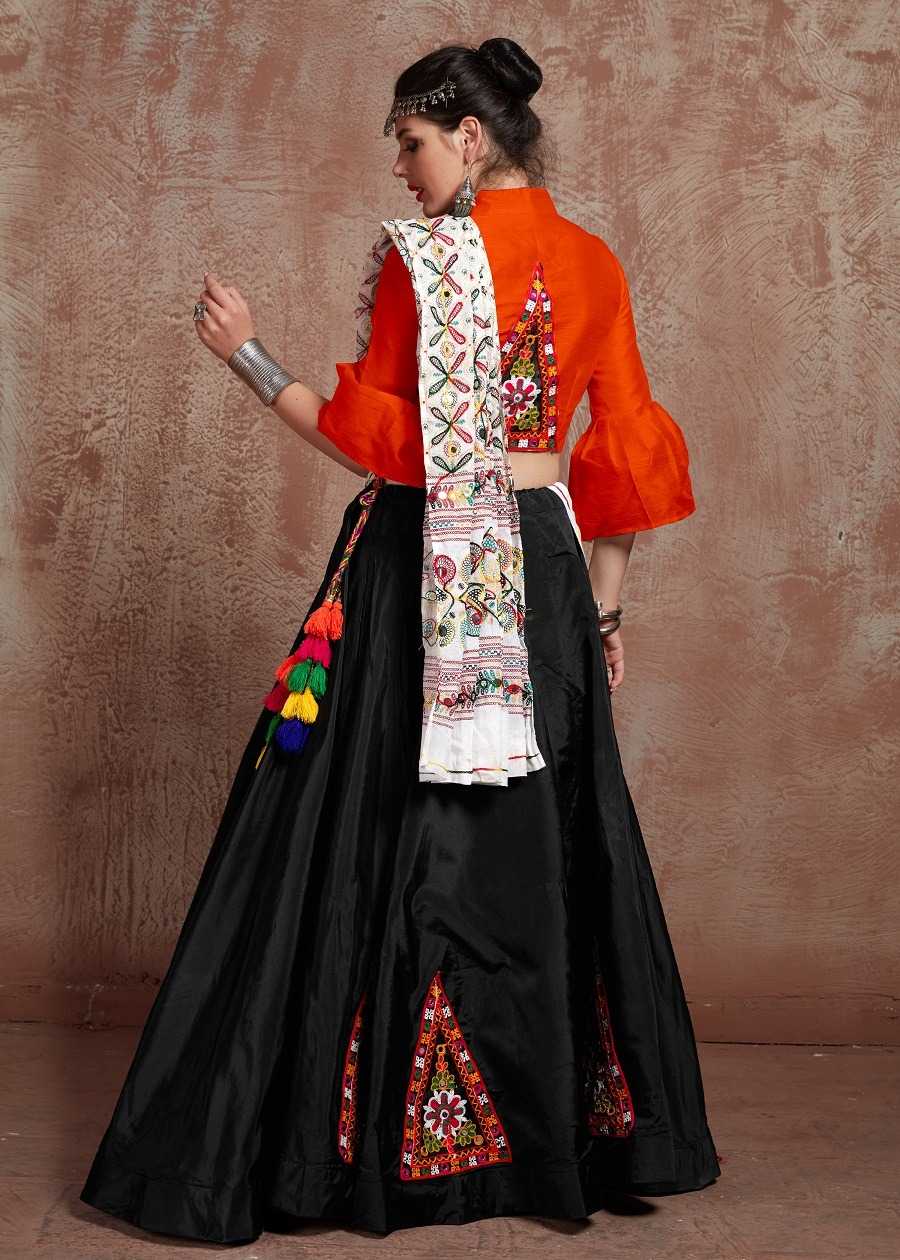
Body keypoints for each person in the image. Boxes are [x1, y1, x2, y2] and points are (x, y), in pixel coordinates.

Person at [80, 37, 721, 1245]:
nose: (402, 168)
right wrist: (606, 610)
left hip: (422, 563)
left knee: (387, 829)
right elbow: (621, 455)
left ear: (470, 137)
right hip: (542, 577)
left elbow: (372, 445)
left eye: (413, 143)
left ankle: (370, 1141)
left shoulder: (423, 262)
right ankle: (548, 1140)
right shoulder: (595, 263)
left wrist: (246, 355)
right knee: (539, 838)